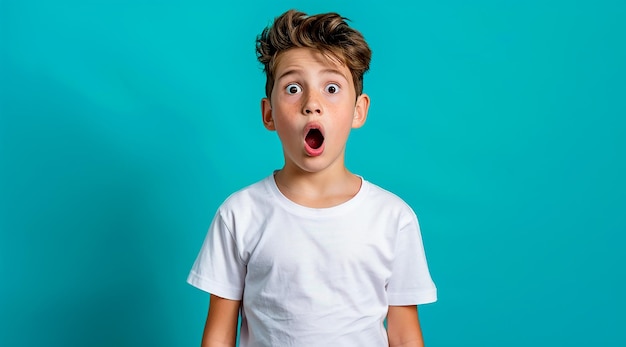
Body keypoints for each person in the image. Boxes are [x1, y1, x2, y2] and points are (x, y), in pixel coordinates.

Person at [188, 9, 437, 347]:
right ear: (269, 114)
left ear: (358, 111)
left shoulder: (393, 218)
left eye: (331, 87)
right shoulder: (239, 214)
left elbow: (405, 333)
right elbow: (219, 332)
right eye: (293, 88)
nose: (312, 104)